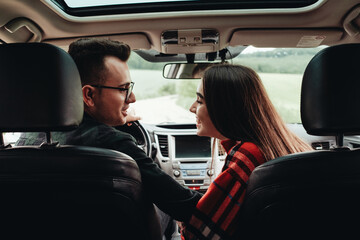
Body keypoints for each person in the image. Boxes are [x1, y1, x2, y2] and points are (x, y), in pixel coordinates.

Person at [16, 38, 202, 237]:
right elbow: (184, 205)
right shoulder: (116, 145)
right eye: (124, 89)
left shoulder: (23, 142)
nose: (132, 98)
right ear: (88, 95)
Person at [181, 64, 312, 239]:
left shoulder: (247, 155)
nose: (192, 108)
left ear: (224, 108)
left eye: (199, 101)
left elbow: (200, 234)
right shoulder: (286, 143)